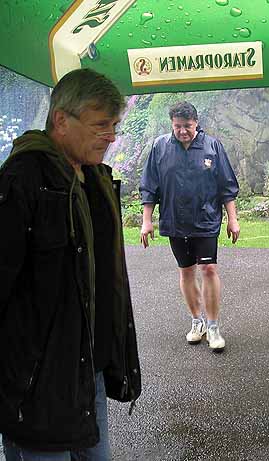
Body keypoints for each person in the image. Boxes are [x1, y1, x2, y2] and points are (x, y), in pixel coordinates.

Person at [0, 68, 141, 460]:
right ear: (61, 120)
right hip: (36, 385)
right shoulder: (21, 179)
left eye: (114, 125)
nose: (111, 136)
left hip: (88, 371)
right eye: (100, 125)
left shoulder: (96, 177)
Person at [140, 101, 239, 352]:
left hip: (205, 219)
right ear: (171, 124)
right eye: (177, 126)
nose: (182, 131)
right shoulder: (160, 147)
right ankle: (198, 322)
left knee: (208, 269)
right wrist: (146, 221)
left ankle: (213, 327)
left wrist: (233, 218)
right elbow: (150, 186)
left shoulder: (212, 146)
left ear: (196, 123)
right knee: (186, 271)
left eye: (187, 126)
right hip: (175, 220)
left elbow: (226, 185)